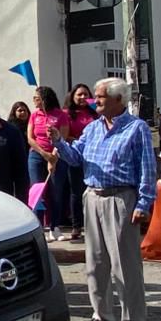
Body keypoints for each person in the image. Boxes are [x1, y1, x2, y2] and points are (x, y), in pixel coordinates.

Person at [49, 77, 156, 321]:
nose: (94, 101)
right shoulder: (92, 128)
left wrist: (144, 203)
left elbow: (147, 168)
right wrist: (59, 142)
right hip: (93, 196)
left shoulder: (136, 128)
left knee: (124, 263)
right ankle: (102, 314)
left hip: (121, 197)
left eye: (100, 97)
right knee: (95, 261)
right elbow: (75, 158)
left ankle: (133, 320)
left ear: (118, 99)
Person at [27, 86, 71, 241]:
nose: (34, 100)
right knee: (38, 190)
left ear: (45, 99)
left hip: (57, 155)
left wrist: (53, 156)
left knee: (55, 191)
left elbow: (63, 138)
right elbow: (30, 138)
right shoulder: (34, 115)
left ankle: (55, 227)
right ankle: (39, 226)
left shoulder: (61, 115)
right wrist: (43, 154)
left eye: (37, 98)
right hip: (37, 156)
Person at [64, 83, 96, 240]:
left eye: (86, 94)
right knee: (76, 192)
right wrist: (79, 141)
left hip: (93, 158)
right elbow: (64, 135)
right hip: (75, 155)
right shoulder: (67, 114)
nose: (83, 97)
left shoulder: (95, 113)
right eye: (79, 94)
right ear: (73, 96)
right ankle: (76, 226)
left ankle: (91, 224)